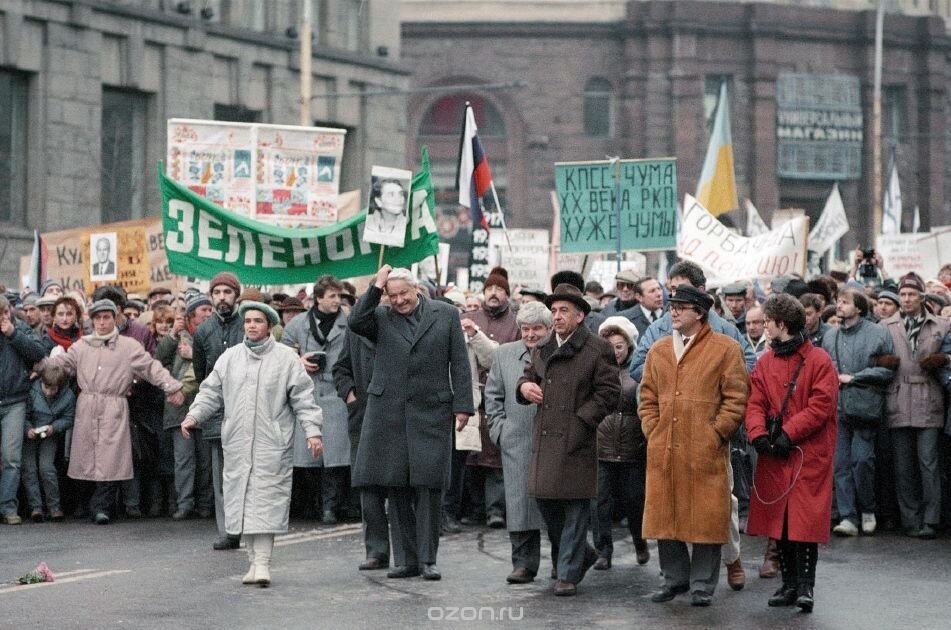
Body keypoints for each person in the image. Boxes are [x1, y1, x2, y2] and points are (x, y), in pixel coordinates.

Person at [630, 260, 756, 591]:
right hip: (665, 445)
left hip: (704, 447)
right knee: (665, 515)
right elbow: (647, 397)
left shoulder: (726, 348)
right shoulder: (658, 350)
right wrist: (653, 429)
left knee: (706, 518)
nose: (673, 313)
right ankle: (674, 580)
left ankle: (702, 584)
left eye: (682, 308)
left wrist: (716, 432)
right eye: (673, 307)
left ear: (699, 312)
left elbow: (736, 398)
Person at [182, 301, 323, 587]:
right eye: (248, 321)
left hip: (272, 442)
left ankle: (263, 564)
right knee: (242, 503)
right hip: (236, 441)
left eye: (258, 321)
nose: (252, 326)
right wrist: (193, 416)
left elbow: (304, 400)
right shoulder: (230, 357)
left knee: (266, 502)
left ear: (269, 326)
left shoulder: (285, 359)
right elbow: (211, 391)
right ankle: (251, 561)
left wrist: (313, 432)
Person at [348, 265, 474, 581]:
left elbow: (459, 361)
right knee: (398, 489)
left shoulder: (445, 314)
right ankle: (406, 560)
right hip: (389, 415)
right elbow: (355, 321)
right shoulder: (380, 316)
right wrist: (376, 286)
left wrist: (463, 406)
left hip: (431, 412)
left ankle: (428, 559)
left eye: (405, 293)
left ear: (417, 289)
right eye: (394, 296)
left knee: (429, 489)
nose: (400, 300)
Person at [516, 283, 620, 596]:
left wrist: (580, 421)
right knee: (548, 504)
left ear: (580, 316)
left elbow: (609, 393)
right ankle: (581, 555)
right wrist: (523, 388)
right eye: (555, 311)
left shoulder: (597, 348)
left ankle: (568, 574)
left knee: (575, 507)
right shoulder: (544, 346)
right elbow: (527, 375)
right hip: (546, 437)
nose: (557, 316)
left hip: (577, 439)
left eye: (564, 311)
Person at [45, 299, 184, 524]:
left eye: (106, 317)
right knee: (86, 457)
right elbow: (63, 363)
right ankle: (86, 504)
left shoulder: (128, 346)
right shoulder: (82, 345)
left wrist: (172, 386)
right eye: (97, 318)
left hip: (114, 405)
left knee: (110, 458)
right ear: (91, 321)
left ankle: (102, 507)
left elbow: (151, 368)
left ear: (115, 318)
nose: (101, 323)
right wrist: (40, 367)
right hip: (87, 405)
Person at [746, 294, 839, 613]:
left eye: (767, 321)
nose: (764, 326)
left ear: (781, 324)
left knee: (804, 522)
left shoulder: (819, 360)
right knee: (779, 521)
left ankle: (805, 587)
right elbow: (754, 402)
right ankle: (788, 584)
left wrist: (789, 432)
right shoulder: (765, 362)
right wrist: (757, 434)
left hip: (806, 453)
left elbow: (821, 406)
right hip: (775, 450)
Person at [484, 301, 552, 584]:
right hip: (517, 439)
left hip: (553, 442)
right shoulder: (504, 355)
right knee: (519, 503)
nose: (531, 334)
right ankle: (524, 563)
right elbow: (493, 397)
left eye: (537, 328)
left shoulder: (559, 354)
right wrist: (501, 431)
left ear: (549, 329)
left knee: (553, 504)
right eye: (526, 328)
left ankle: (565, 562)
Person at [880, 272, 951, 539]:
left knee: (929, 463)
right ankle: (910, 518)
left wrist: (944, 358)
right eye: (903, 294)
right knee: (903, 464)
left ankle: (931, 520)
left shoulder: (941, 325)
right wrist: (880, 361)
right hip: (898, 397)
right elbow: (872, 356)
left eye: (911, 294)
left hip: (928, 396)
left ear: (922, 296)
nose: (907, 299)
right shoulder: (886, 326)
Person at [822, 288, 897, 537]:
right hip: (838, 407)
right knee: (840, 463)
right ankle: (848, 517)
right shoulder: (830, 336)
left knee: (862, 461)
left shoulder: (878, 333)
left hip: (865, 407)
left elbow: (888, 370)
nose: (839, 306)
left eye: (845, 302)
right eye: (838, 301)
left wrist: (856, 378)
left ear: (859, 308)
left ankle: (867, 509)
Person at [333, 309, 404, 572]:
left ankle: (404, 552)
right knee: (369, 487)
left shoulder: (402, 328)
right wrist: (350, 396)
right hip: (363, 416)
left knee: (399, 486)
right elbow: (340, 368)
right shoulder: (353, 331)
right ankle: (376, 551)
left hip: (397, 416)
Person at [281, 275, 353, 525]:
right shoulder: (298, 323)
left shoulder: (349, 322)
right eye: (332, 296)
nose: (337, 301)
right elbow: (283, 352)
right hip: (307, 394)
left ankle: (330, 507)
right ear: (319, 298)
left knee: (335, 457)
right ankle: (312, 505)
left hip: (336, 394)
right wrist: (299, 361)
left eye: (339, 296)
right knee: (308, 457)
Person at [192, 272, 246, 550]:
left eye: (227, 292)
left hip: (248, 409)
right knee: (222, 477)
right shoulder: (202, 332)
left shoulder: (248, 324)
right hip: (218, 414)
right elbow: (201, 375)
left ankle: (252, 525)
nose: (222, 297)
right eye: (217, 293)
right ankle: (229, 530)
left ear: (236, 295)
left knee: (249, 472)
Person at [460, 266, 517, 529]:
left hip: (501, 396)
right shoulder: (469, 316)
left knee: (496, 458)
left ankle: (496, 510)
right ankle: (474, 509)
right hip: (471, 395)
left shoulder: (515, 323)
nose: (494, 294)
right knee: (471, 455)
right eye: (489, 289)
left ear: (507, 293)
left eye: (499, 289)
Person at [592, 316, 649, 570]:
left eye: (619, 346)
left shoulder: (639, 371)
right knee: (600, 502)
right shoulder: (595, 370)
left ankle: (640, 541)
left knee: (634, 501)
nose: (614, 351)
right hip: (601, 446)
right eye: (609, 345)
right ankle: (604, 551)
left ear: (628, 346)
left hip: (632, 447)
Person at [157, 294, 214, 521]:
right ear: (191, 315)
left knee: (206, 462)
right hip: (178, 410)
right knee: (183, 461)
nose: (208, 314)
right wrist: (172, 335)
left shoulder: (212, 336)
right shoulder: (178, 337)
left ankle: (206, 504)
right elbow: (158, 360)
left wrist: (194, 356)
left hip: (205, 406)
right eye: (203, 311)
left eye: (210, 310)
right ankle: (184, 503)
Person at [0, 295, 49, 524]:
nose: (2, 317)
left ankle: (8, 507)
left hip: (14, 401)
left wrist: (12, 334)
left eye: (4, 312)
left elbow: (39, 353)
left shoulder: (20, 329)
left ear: (9, 311)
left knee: (12, 458)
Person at [22, 362, 75, 522]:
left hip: (49, 433)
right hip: (31, 432)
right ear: (41, 383)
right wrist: (28, 428)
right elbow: (23, 413)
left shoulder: (68, 396)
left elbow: (68, 418)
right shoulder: (31, 391)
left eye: (53, 389)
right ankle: (35, 507)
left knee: (47, 468)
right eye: (47, 387)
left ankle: (54, 507)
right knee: (29, 468)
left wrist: (54, 427)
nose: (49, 392)